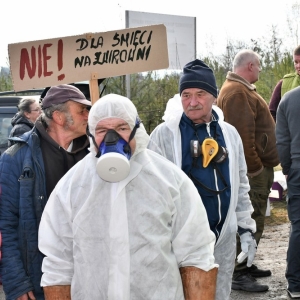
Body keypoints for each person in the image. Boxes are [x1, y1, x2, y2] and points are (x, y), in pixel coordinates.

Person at [38, 93, 218, 300]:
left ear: (136, 130)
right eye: (103, 130)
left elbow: (196, 254)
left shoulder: (170, 180)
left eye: (122, 128)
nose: (111, 139)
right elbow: (58, 263)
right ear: (91, 134)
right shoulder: (72, 186)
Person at [148, 59, 257, 300]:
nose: (192, 102)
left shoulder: (229, 134)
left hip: (223, 239)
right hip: (180, 242)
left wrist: (246, 229)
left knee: (219, 294)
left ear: (214, 96)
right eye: (186, 95)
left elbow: (240, 185)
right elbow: (150, 195)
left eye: (200, 94)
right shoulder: (165, 136)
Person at [0, 84, 91, 300]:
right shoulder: (16, 158)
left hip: (88, 276)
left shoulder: (94, 154)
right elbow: (5, 225)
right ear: (59, 117)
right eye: (81, 110)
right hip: (40, 279)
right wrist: (16, 282)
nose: (88, 115)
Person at [217, 49, 280, 292]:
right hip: (253, 173)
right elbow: (242, 138)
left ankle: (247, 262)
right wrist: (254, 170)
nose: (261, 70)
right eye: (260, 65)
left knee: (255, 219)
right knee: (249, 219)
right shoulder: (236, 92)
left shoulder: (241, 90)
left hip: (257, 169)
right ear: (251, 66)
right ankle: (238, 271)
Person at [276, 85, 300, 299]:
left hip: (298, 170)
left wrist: (288, 169)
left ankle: (295, 283)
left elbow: (282, 142)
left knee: (299, 226)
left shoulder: (288, 99)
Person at [269, 45, 300, 122]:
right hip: (291, 133)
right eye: (296, 62)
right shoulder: (283, 83)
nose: (298, 66)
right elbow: (272, 111)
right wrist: (281, 131)